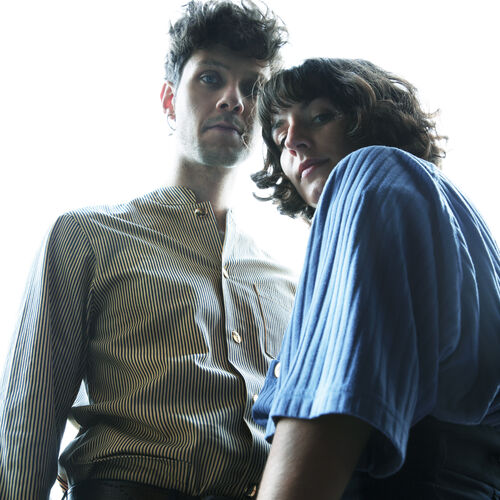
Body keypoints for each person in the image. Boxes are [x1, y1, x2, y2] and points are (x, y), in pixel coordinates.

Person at [0, 2, 296, 499]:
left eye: (252, 88)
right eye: (211, 78)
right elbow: (29, 423)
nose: (233, 100)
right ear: (169, 100)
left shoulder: (287, 283)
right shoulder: (86, 237)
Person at [251, 58, 500, 499]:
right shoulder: (455, 220)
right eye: (278, 133)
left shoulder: (369, 171)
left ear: (370, 118)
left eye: (320, 116)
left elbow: (337, 400)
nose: (293, 141)